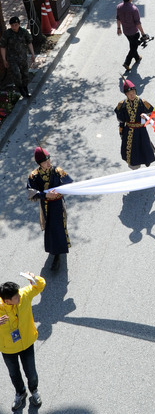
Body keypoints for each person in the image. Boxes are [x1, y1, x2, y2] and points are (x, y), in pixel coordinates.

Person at [0, 272, 46, 411]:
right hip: (7, 348)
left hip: (26, 342)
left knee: (31, 372)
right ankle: (20, 392)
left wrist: (34, 278)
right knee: (14, 374)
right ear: (7, 301)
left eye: (18, 294)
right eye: (16, 297)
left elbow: (40, 286)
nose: (20, 297)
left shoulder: (24, 295)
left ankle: (34, 390)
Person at [26, 147, 72, 271]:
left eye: (49, 159)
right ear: (39, 163)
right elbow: (31, 193)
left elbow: (69, 183)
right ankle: (54, 250)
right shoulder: (34, 176)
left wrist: (58, 190)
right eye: (45, 161)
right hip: (46, 206)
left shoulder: (57, 171)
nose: (48, 163)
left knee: (60, 226)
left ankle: (58, 253)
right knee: (50, 228)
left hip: (58, 204)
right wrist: (45, 195)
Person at [114, 78, 155, 169]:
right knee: (131, 153)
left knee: (144, 148)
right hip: (128, 132)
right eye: (129, 94)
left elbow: (154, 114)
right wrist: (121, 132)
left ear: (135, 91)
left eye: (133, 92)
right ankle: (134, 168)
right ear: (126, 94)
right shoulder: (122, 105)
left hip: (141, 131)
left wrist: (145, 117)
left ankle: (146, 166)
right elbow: (121, 121)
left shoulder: (143, 103)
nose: (132, 95)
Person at [0, 17, 35, 98]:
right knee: (16, 74)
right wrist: (4, 59)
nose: (14, 27)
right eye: (12, 25)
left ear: (19, 24)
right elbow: (2, 46)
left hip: (23, 57)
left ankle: (25, 88)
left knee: (25, 74)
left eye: (16, 25)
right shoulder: (7, 34)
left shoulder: (24, 32)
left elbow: (29, 42)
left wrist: (33, 54)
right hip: (12, 58)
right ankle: (20, 88)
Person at [116, 0, 146, 72]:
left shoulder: (119, 7)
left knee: (132, 44)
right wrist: (143, 34)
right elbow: (138, 23)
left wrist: (119, 28)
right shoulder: (134, 9)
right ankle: (127, 62)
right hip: (134, 32)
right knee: (134, 47)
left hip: (126, 31)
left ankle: (137, 58)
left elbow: (118, 18)